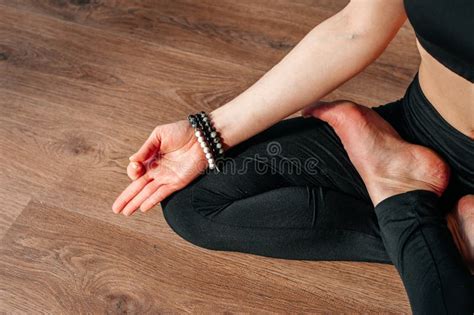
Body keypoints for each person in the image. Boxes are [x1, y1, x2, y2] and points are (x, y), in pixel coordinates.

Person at [112, 0, 474, 313]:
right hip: (418, 125)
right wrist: (207, 135)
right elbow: (356, 28)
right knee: (193, 200)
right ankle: (438, 227)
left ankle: (411, 209)